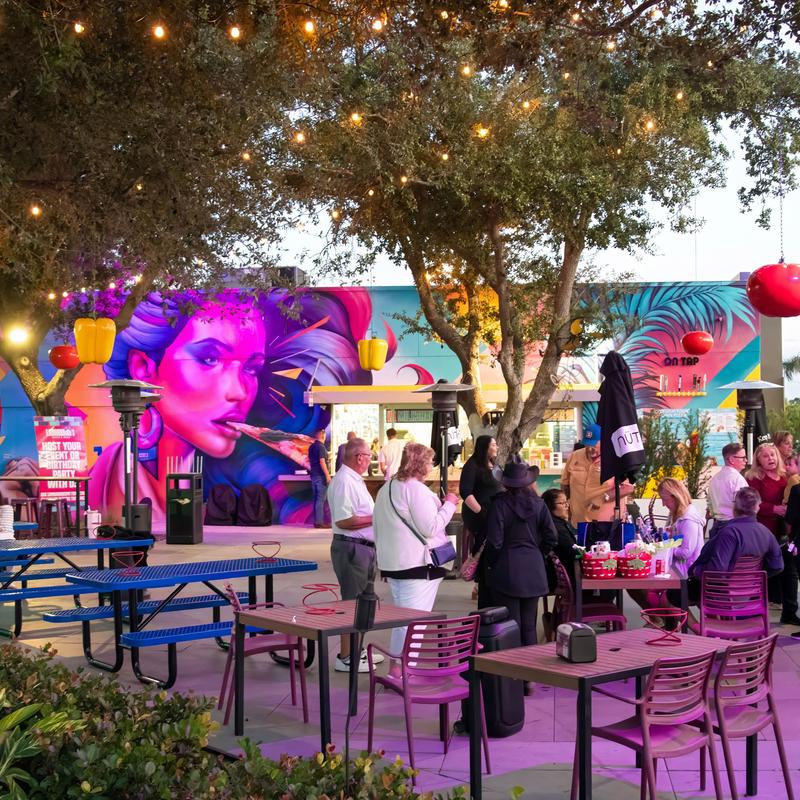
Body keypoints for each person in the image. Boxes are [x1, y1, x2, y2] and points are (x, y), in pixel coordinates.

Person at [89, 293, 267, 524]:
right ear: (143, 368)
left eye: (252, 369)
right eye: (210, 358)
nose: (240, 392)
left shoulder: (221, 486)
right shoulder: (105, 477)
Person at [373, 443, 458, 674]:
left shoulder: (386, 488)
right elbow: (430, 527)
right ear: (420, 464)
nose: (432, 466)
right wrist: (449, 504)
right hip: (418, 565)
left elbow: (377, 526)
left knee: (404, 620)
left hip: (393, 564)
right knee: (414, 622)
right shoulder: (415, 489)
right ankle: (401, 671)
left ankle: (398, 668)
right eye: (430, 462)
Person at [484, 462, 557, 676]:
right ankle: (530, 675)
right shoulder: (539, 504)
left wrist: (492, 564)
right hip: (533, 568)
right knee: (529, 625)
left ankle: (514, 676)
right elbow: (551, 537)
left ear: (505, 483)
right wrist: (538, 553)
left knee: (511, 626)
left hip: (506, 569)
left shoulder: (499, 505)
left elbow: (495, 542)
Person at [666, 486, 783, 613]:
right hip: (749, 595)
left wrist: (696, 570)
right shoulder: (766, 533)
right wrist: (752, 579)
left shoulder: (729, 533)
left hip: (723, 595)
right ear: (757, 508)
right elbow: (777, 566)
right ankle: (712, 622)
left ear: (734, 507)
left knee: (671, 594)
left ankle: (697, 624)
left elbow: (716, 571)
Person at [326, 437, 384, 672]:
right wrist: (378, 517)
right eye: (369, 455)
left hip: (363, 548)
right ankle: (345, 657)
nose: (371, 459)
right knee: (352, 604)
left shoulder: (354, 480)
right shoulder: (344, 482)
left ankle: (357, 651)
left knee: (364, 603)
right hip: (352, 548)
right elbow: (344, 520)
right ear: (359, 457)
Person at [560, 423, 634, 526]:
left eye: (594, 445)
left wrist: (604, 497)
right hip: (578, 521)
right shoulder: (575, 456)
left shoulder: (616, 458)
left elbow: (628, 487)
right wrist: (567, 504)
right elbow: (565, 484)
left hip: (606, 523)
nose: (590, 449)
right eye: (587, 445)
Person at [459, 435, 503, 606]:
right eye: (494, 444)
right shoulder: (472, 466)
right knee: (483, 547)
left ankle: (483, 584)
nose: (496, 447)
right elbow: (465, 491)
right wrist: (481, 511)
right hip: (479, 515)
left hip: (494, 513)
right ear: (485, 447)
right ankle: (480, 582)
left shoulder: (493, 464)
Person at [706, 442, 749, 537]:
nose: (746, 460)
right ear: (731, 459)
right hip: (734, 527)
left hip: (716, 526)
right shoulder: (737, 479)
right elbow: (744, 506)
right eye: (743, 457)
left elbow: (709, 506)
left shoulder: (714, 479)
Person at [542, 488, 579, 589]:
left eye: (567, 502)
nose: (567, 506)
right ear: (550, 506)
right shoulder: (556, 527)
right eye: (562, 503)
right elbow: (574, 552)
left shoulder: (554, 523)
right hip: (565, 579)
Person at [308, 429, 331, 528]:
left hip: (313, 475)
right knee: (320, 499)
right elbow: (322, 461)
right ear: (323, 436)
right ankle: (319, 522)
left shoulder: (311, 447)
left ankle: (317, 521)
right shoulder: (321, 447)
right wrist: (327, 475)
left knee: (316, 499)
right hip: (320, 476)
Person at [776, 430, 800, 501]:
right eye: (787, 443)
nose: (791, 446)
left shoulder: (795, 461)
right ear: (777, 445)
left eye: (791, 443)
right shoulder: (773, 466)